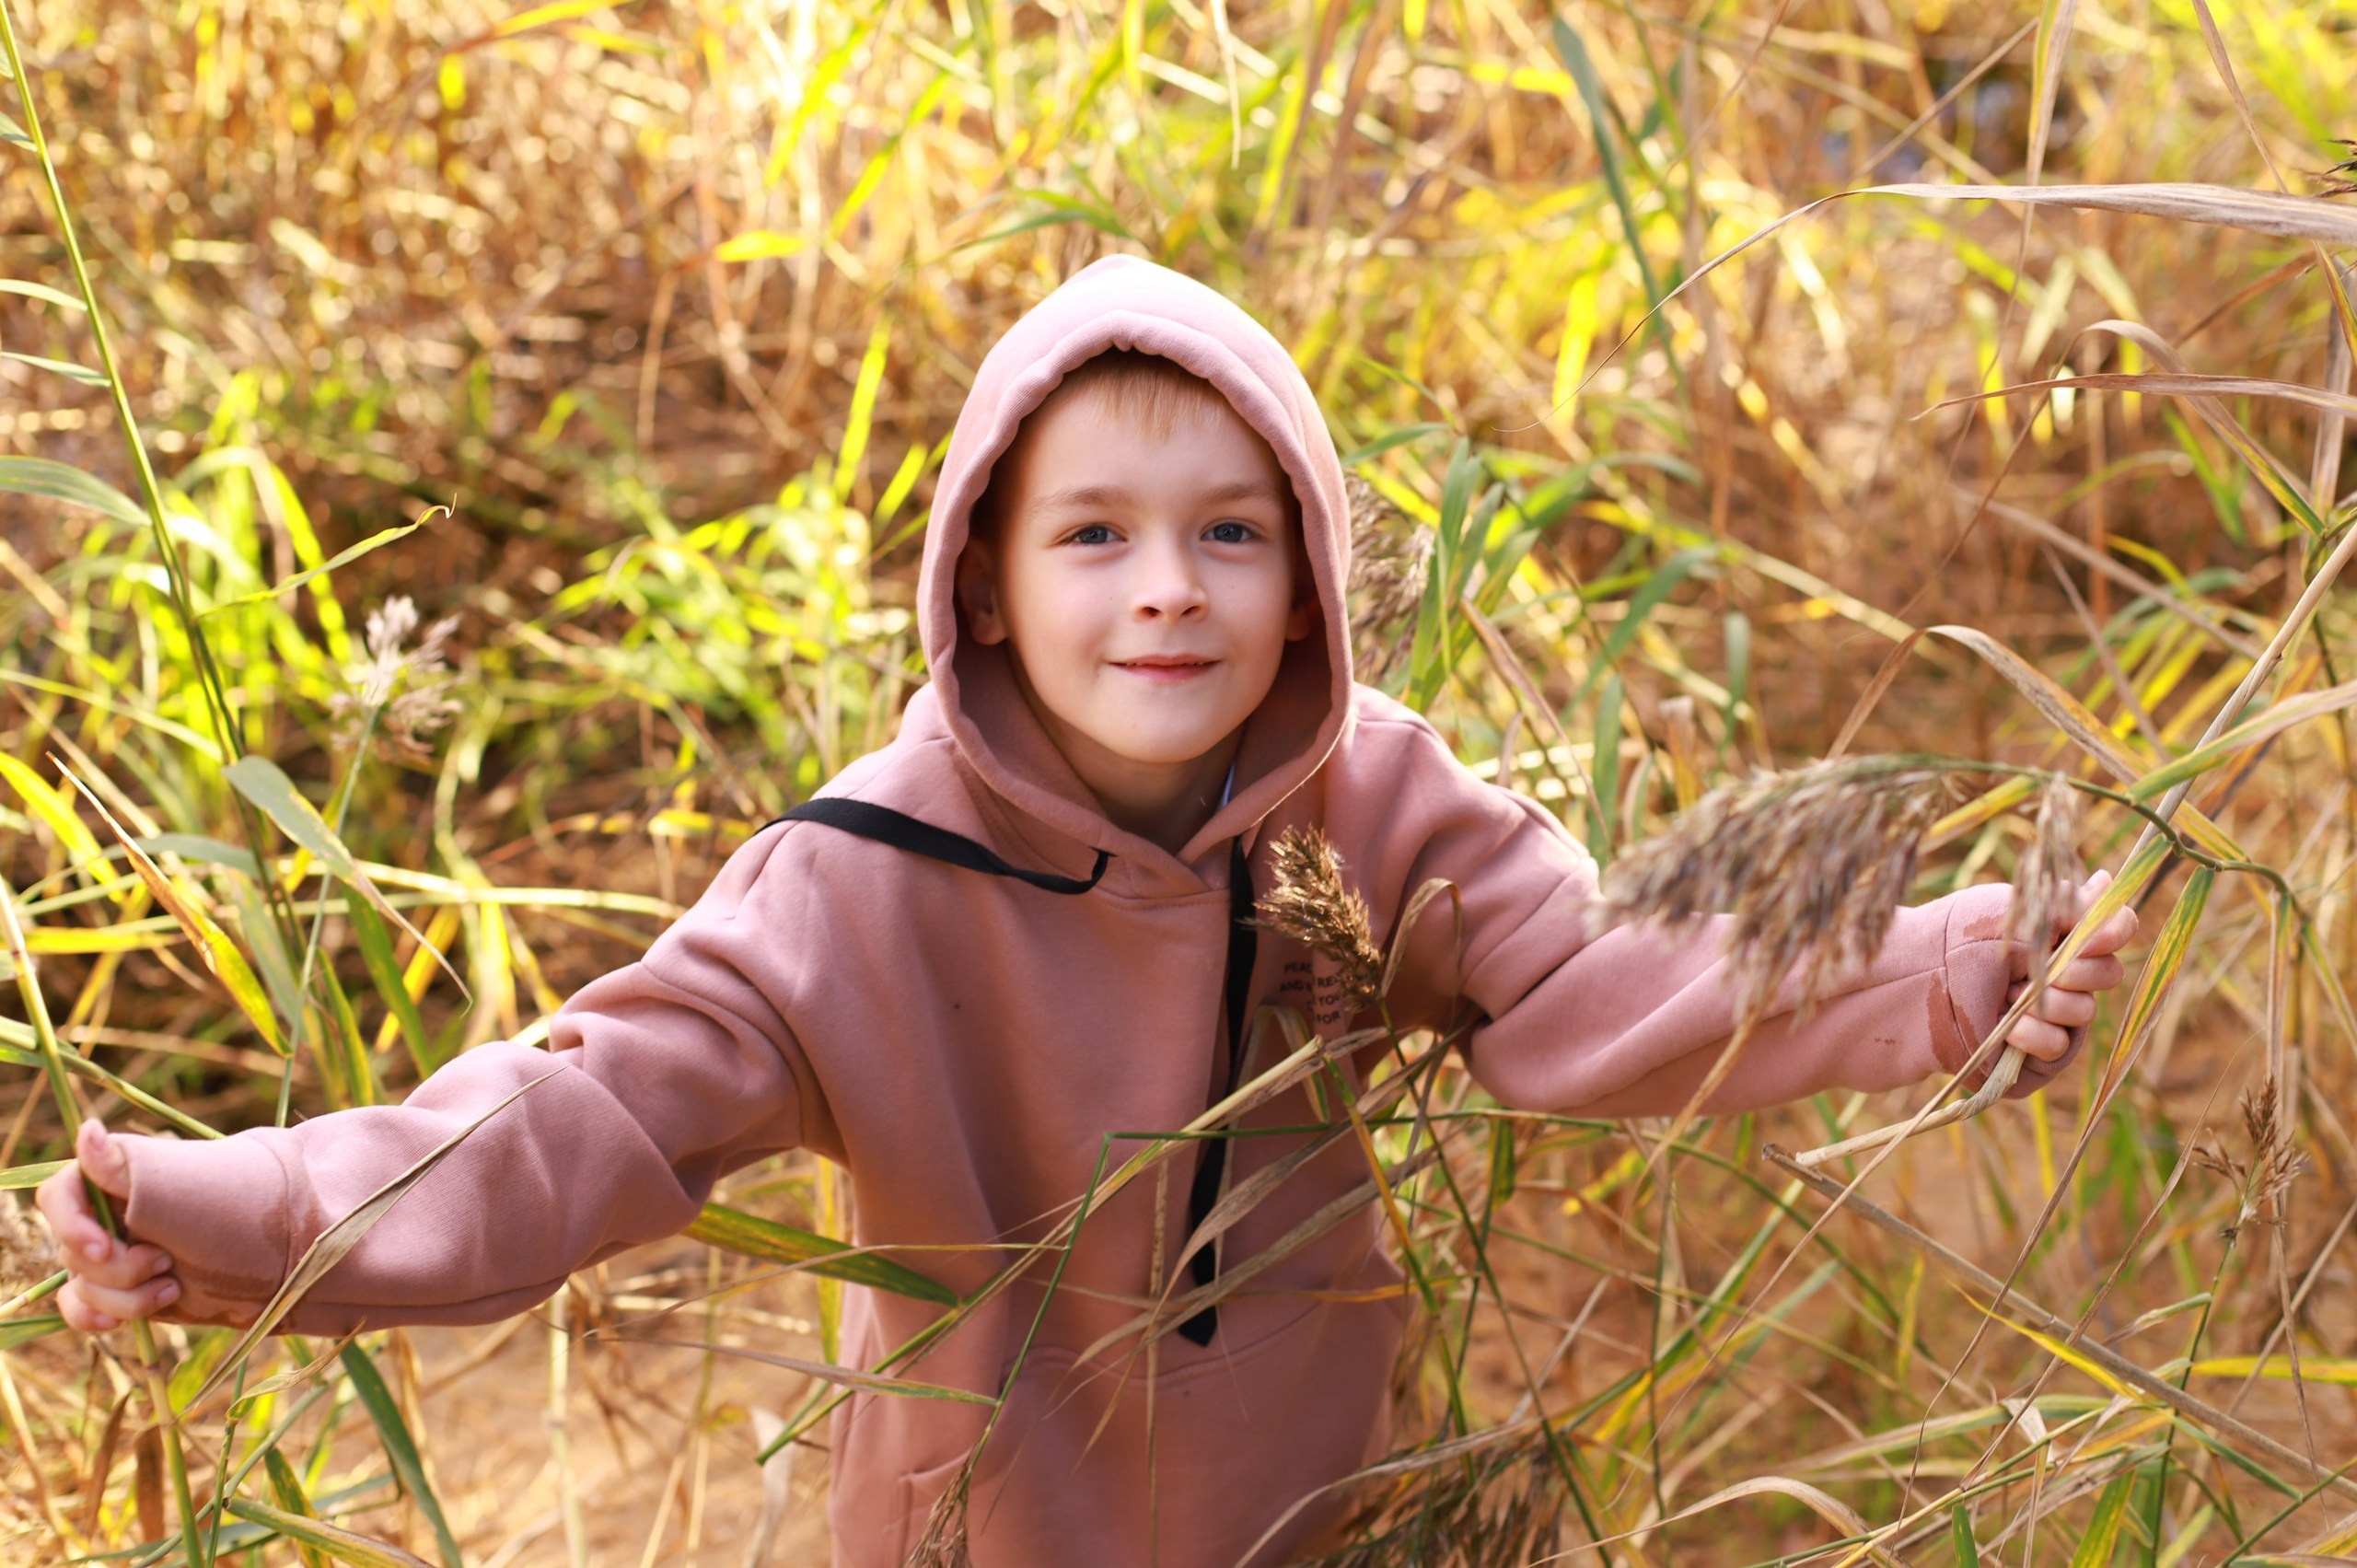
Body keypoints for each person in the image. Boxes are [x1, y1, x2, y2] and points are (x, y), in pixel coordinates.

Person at [37, 255, 2137, 1566]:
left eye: (1232, 530)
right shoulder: (862, 881)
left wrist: (1950, 962)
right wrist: (235, 1207)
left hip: (1298, 1512)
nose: (1167, 587)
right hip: (976, 1527)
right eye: (1097, 534)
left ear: (1306, 571)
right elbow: (581, 1116)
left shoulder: (1368, 795)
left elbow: (1593, 989)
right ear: (983, 580)